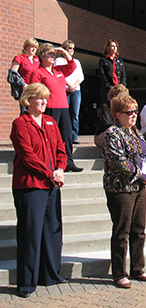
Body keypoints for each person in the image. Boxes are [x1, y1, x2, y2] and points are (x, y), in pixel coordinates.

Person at [10, 83, 68, 298]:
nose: (44, 102)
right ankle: (26, 283)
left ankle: (50, 274)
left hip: (51, 183)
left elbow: (61, 149)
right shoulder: (20, 124)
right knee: (30, 234)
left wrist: (60, 168)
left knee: (52, 231)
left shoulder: (51, 122)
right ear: (28, 100)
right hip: (30, 185)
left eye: (45, 99)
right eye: (39, 98)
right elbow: (27, 156)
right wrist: (51, 172)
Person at [102, 94, 146, 289]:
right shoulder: (112, 134)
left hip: (139, 188)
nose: (134, 115)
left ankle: (137, 269)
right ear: (118, 115)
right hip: (121, 189)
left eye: (135, 111)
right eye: (129, 112)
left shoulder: (136, 132)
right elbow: (119, 161)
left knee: (139, 229)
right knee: (121, 231)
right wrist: (141, 175)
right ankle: (119, 273)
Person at [30, 43, 83, 172]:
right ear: (42, 55)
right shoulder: (38, 72)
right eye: (49, 54)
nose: (53, 56)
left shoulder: (58, 70)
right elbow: (34, 91)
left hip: (64, 107)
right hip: (49, 109)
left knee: (66, 137)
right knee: (51, 137)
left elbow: (72, 66)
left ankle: (68, 162)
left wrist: (64, 52)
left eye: (54, 54)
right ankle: (52, 162)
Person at [54, 40, 84, 144]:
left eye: (73, 48)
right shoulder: (59, 60)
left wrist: (75, 85)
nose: (71, 50)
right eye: (69, 48)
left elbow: (81, 76)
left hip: (76, 90)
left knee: (75, 114)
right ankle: (63, 136)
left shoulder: (77, 62)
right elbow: (59, 74)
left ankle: (74, 136)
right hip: (64, 89)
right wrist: (69, 85)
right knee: (65, 113)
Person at [8, 38, 40, 114]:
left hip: (36, 89)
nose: (33, 49)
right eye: (31, 46)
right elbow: (13, 73)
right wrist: (23, 84)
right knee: (25, 111)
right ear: (26, 47)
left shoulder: (37, 59)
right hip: (25, 89)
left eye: (35, 47)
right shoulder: (20, 58)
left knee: (36, 111)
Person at [99, 39, 126, 103]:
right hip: (108, 88)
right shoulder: (104, 60)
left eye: (116, 46)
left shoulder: (119, 61)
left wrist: (122, 85)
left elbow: (123, 74)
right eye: (112, 46)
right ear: (108, 47)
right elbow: (102, 74)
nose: (115, 48)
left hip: (119, 89)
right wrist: (109, 85)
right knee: (108, 106)